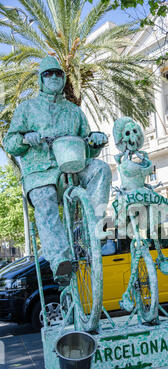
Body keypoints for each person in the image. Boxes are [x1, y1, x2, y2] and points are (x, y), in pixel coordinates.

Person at [3, 56, 112, 285]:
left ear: (63, 78)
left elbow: (87, 149)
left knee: (101, 169)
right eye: (48, 74)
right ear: (40, 79)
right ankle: (60, 261)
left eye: (58, 73)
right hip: (40, 173)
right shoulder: (27, 108)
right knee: (45, 199)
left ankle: (92, 231)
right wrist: (25, 138)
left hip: (72, 167)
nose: (53, 77)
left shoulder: (74, 112)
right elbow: (11, 143)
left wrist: (96, 142)